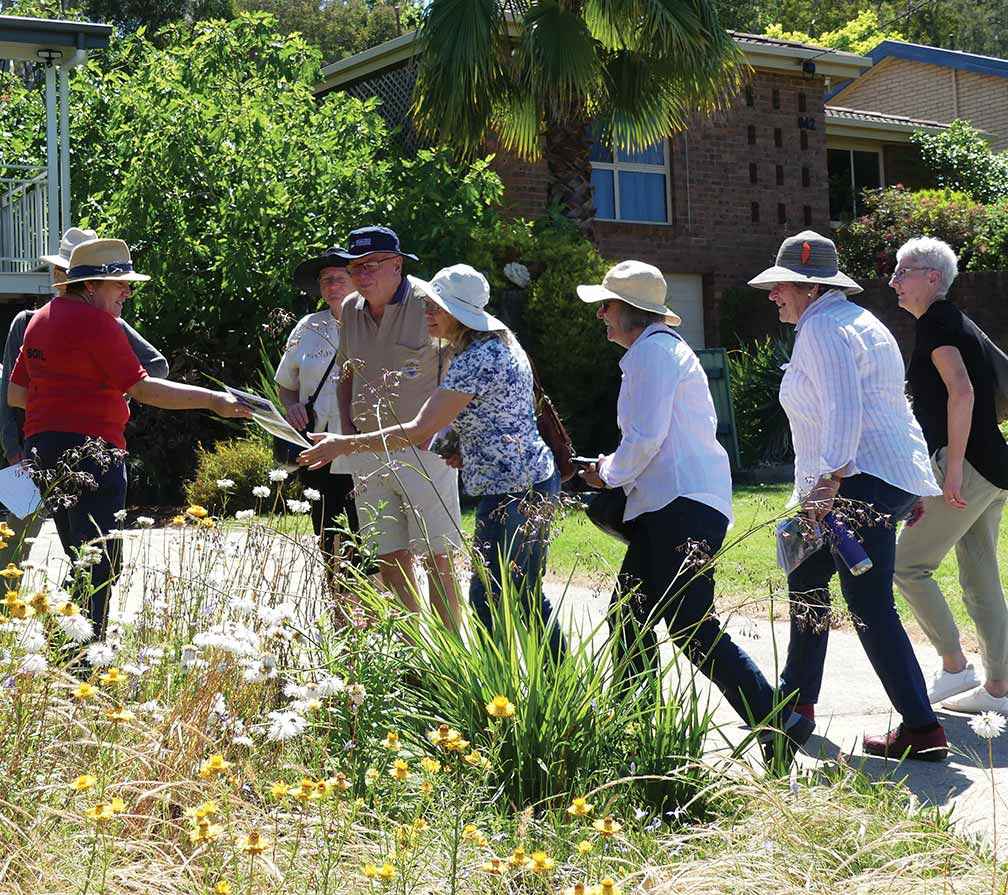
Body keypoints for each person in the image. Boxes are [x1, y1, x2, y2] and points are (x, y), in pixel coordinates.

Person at [577, 260, 813, 758]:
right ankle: (637, 726)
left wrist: (606, 472)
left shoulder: (653, 356)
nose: (601, 314)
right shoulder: (658, 351)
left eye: (607, 305)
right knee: (632, 616)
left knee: (685, 622)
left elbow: (644, 440)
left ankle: (775, 719)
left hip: (679, 506)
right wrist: (612, 468)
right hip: (680, 504)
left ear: (631, 312)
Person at [748, 230, 946, 761]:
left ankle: (923, 728)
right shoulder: (863, 322)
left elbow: (844, 408)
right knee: (807, 580)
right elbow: (892, 407)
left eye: (782, 286)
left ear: (809, 289)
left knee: (869, 605)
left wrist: (828, 483)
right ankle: (795, 706)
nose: (773, 296)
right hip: (885, 477)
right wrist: (911, 482)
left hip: (855, 480)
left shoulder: (821, 330)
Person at [299, 264, 566, 653]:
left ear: (458, 314)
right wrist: (459, 446)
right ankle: (550, 686)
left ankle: (497, 697)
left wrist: (342, 445)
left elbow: (420, 429)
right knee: (523, 597)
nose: (426, 313)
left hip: (514, 493)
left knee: (490, 601)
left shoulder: (477, 357)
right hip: (530, 483)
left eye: (435, 308)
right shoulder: (494, 344)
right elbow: (492, 412)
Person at [7, 239, 249, 638]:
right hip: (92, 453)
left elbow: (16, 395)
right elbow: (145, 389)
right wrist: (214, 401)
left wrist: (67, 393)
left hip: (43, 452)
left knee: (82, 559)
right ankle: (81, 658)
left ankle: (63, 642)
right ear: (89, 286)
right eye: (119, 284)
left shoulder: (39, 318)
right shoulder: (98, 323)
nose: (128, 293)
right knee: (101, 564)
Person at [0, 228, 170, 568]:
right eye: (60, 270)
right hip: (28, 452)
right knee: (12, 549)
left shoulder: (107, 322)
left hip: (84, 449)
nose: (61, 277)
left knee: (89, 555)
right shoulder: (28, 321)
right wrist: (12, 449)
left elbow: (156, 366)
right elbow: (9, 392)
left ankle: (68, 615)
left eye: (67, 270)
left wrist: (104, 389)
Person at [892, 237, 1008, 714]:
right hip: (995, 465)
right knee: (981, 576)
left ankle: (954, 664)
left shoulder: (938, 323)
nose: (893, 281)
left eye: (904, 271)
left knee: (906, 565)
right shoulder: (956, 322)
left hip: (968, 468)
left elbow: (962, 392)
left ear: (932, 278)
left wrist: (953, 468)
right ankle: (999, 690)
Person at [329, 227, 462, 629]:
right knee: (387, 552)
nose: (361, 275)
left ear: (397, 264)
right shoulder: (351, 308)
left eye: (371, 265)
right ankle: (414, 649)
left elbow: (459, 375)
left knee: (438, 554)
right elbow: (345, 371)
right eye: (354, 268)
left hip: (425, 446)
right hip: (367, 449)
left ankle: (452, 649)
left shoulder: (430, 304)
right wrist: (349, 430)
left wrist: (455, 436)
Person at [276, 246, 362, 584]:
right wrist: (292, 405)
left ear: (355, 281)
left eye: (339, 278)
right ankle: (335, 595)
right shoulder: (307, 327)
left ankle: (367, 603)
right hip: (317, 440)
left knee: (363, 526)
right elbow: (286, 382)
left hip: (359, 440)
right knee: (325, 525)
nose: (332, 285)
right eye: (326, 280)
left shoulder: (372, 322)